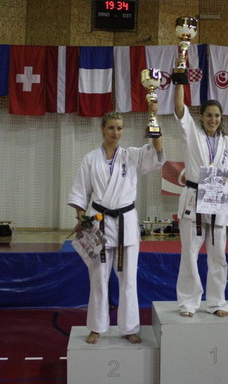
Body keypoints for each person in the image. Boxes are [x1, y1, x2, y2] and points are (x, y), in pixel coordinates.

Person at [67, 109, 165, 345]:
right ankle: (96, 327)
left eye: (119, 128)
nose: (116, 132)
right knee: (98, 279)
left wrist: (153, 116)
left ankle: (129, 327)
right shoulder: (90, 159)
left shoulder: (132, 155)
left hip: (125, 224)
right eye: (111, 127)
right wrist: (81, 219)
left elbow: (158, 152)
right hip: (98, 223)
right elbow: (80, 193)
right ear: (102, 128)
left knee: (128, 279)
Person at [173, 83, 228, 318]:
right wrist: (179, 80)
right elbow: (179, 108)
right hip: (195, 199)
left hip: (218, 201)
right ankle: (188, 302)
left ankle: (217, 302)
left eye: (217, 116)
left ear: (221, 118)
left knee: (218, 255)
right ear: (201, 117)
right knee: (190, 254)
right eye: (209, 115)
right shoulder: (192, 133)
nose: (213, 119)